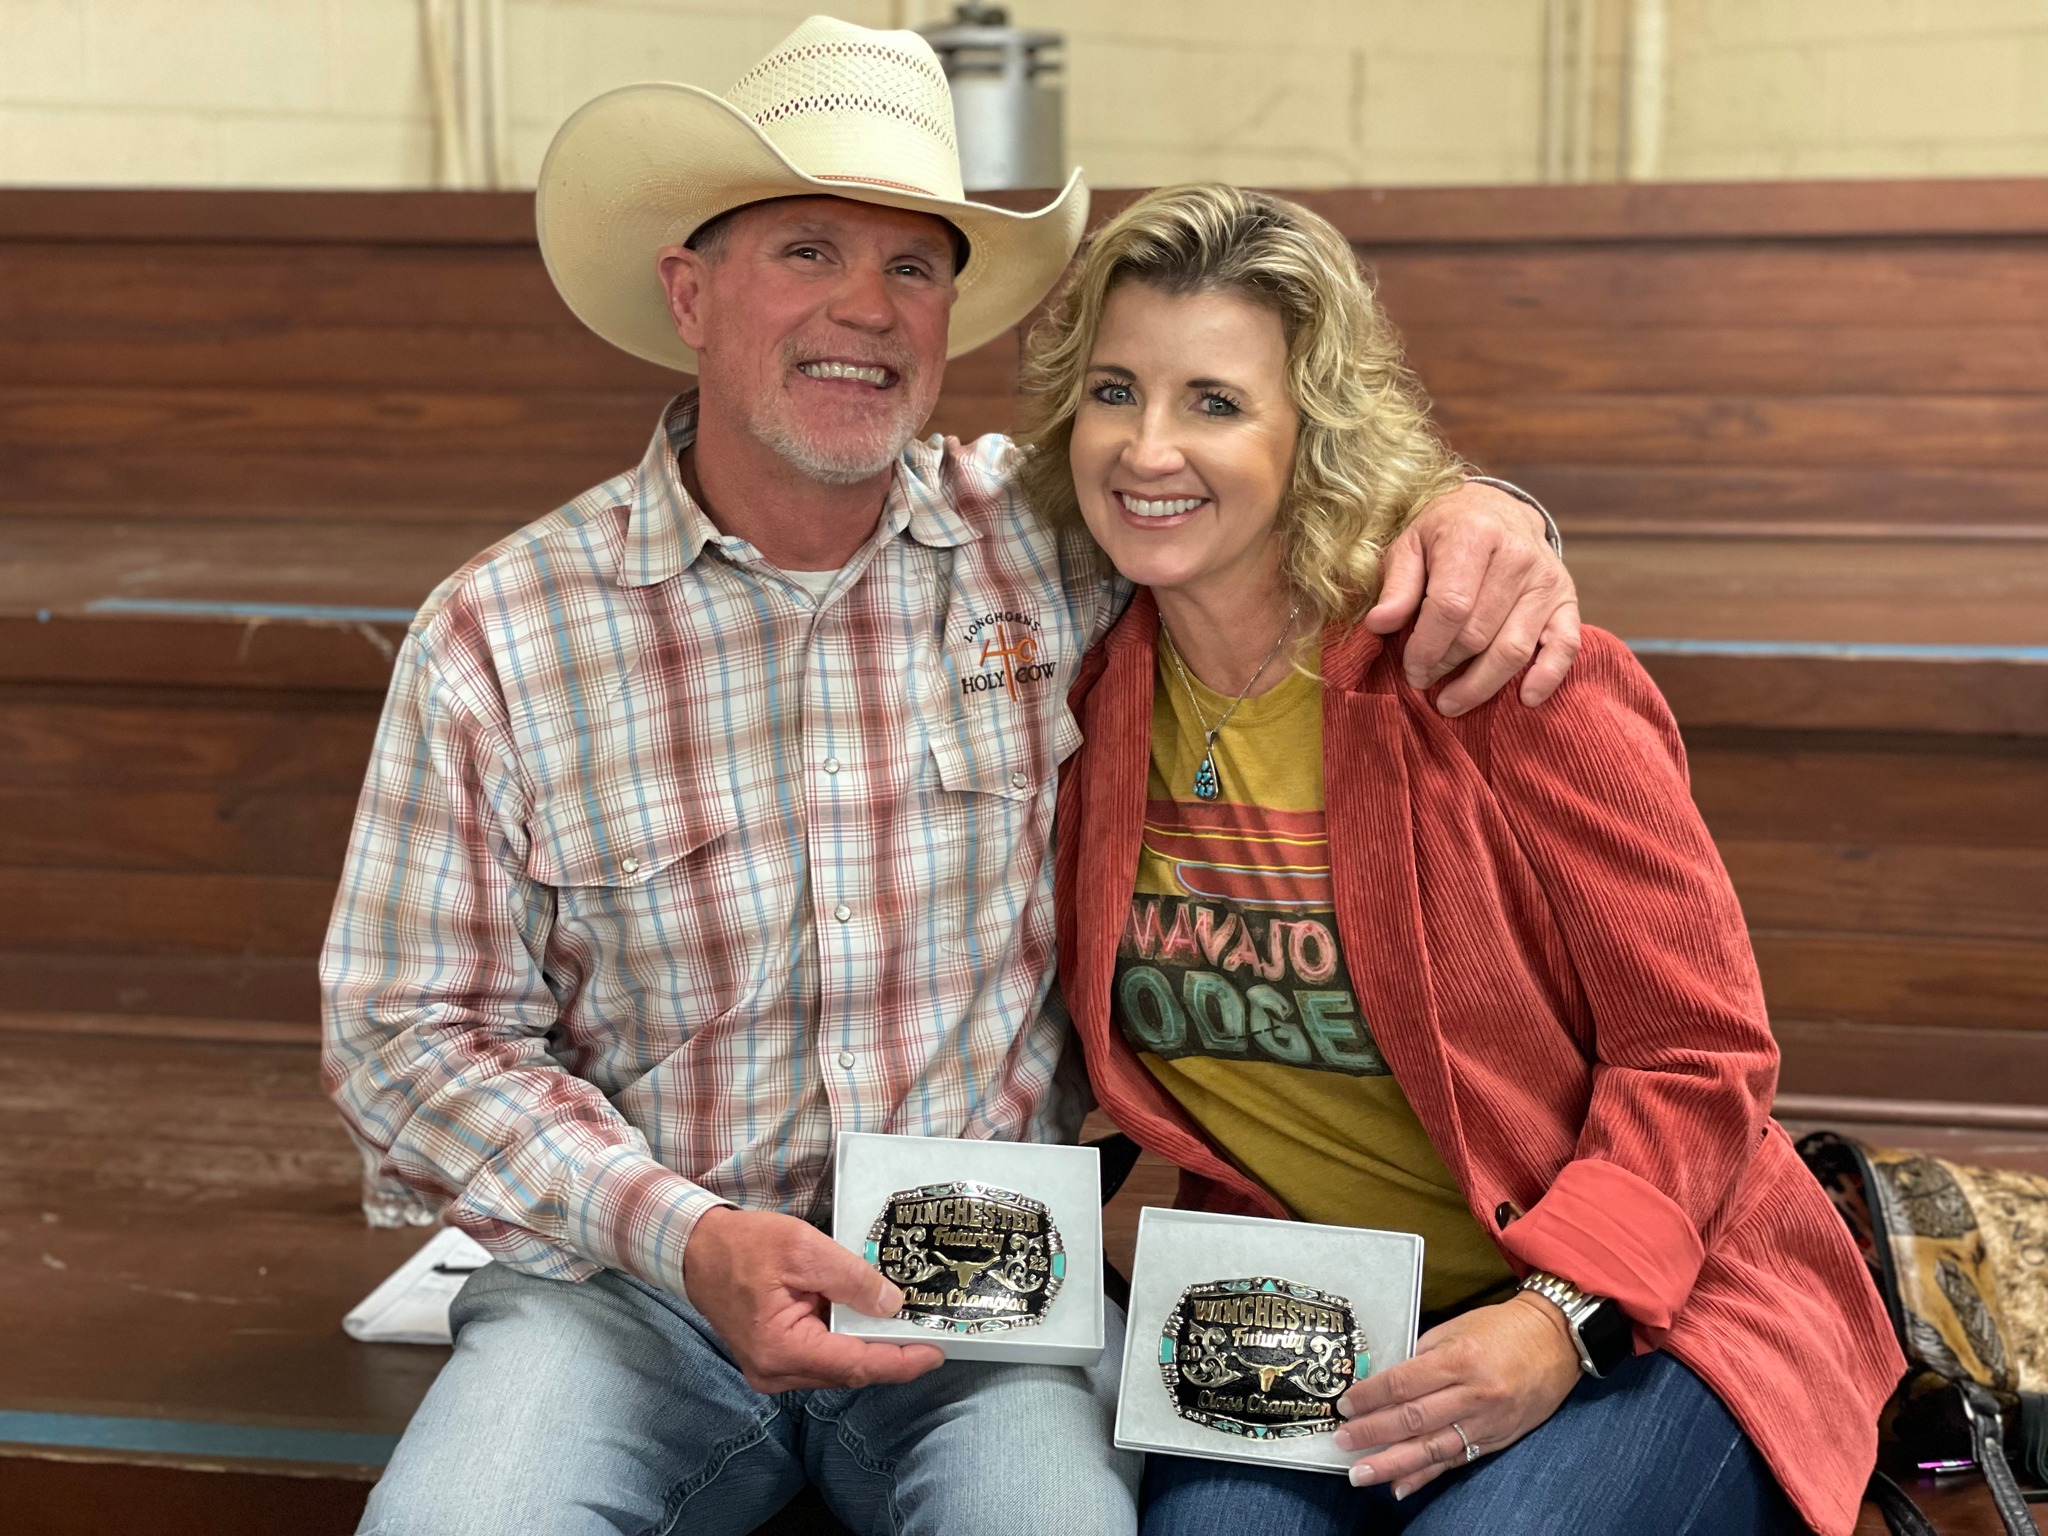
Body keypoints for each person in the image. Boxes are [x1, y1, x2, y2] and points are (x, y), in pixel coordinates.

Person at [321, 19, 1581, 1536]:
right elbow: (406, 1033)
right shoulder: (502, 633)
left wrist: (1483, 509)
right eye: (805, 249)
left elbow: (1269, 486)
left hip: (986, 1297)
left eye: (913, 266)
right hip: (629, 1297)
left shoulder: (1053, 542)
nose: (867, 308)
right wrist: (687, 1235)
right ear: (689, 290)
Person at [1032, 184, 1904, 1536]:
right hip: (1306, 1312)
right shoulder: (1079, 687)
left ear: (1310, 430)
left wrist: (1556, 1316)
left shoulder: (1493, 669)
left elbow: (1699, 1053)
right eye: (1112, 390)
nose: (1149, 447)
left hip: (1642, 1311)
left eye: (1215, 402)